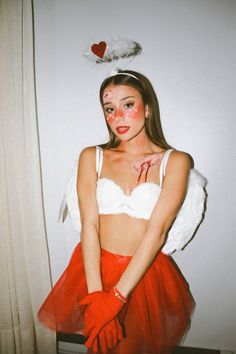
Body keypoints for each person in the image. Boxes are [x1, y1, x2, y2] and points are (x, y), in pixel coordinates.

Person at [38, 70, 195, 354]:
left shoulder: (176, 161)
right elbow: (89, 226)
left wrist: (116, 299)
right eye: (110, 108)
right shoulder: (92, 156)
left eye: (128, 104)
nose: (118, 116)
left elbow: (157, 233)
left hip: (143, 276)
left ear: (147, 109)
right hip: (95, 270)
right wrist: (98, 297)